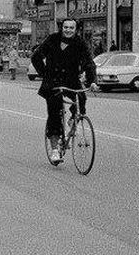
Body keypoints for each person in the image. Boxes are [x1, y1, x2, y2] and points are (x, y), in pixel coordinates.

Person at [31, 18, 99, 163]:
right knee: (54, 111)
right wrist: (44, 74)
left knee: (81, 98)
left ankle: (73, 119)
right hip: (53, 82)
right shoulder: (52, 39)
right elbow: (36, 57)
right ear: (62, 28)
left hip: (71, 80)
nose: (68, 30)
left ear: (76, 29)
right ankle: (55, 149)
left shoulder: (80, 43)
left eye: (71, 28)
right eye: (66, 27)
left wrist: (92, 81)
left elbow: (89, 63)